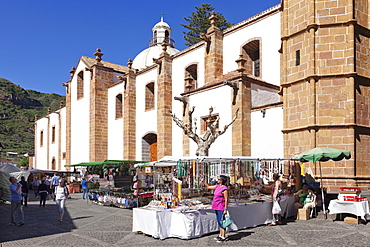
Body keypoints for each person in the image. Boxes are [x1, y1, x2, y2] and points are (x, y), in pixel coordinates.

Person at [201, 175, 229, 243]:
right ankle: (220, 235)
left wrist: (225, 208)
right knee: (219, 221)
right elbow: (208, 187)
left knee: (222, 221)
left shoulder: (224, 189)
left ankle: (223, 236)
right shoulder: (217, 186)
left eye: (218, 179)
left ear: (221, 181)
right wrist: (203, 181)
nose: (217, 180)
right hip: (216, 206)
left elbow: (226, 199)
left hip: (221, 207)